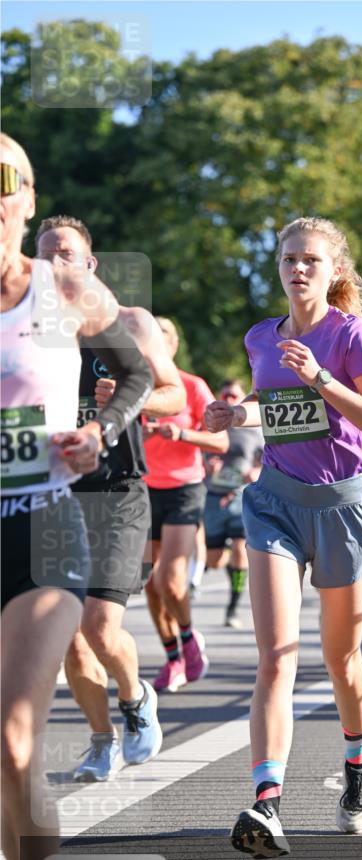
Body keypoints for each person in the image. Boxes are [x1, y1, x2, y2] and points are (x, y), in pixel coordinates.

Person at [1, 134, 153, 860]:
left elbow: (135, 369)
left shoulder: (58, 289)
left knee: (17, 741)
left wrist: (100, 430)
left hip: (45, 527)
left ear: (25, 196)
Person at [205, 216, 362, 859]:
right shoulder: (261, 337)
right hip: (275, 502)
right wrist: (240, 414)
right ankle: (267, 803)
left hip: (342, 506)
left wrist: (322, 376)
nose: (299, 268)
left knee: (341, 660)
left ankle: (358, 758)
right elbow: (278, 410)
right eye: (289, 258)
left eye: (312, 260)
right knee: (277, 655)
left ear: (334, 270)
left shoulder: (351, 336)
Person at [35, 215, 187, 781]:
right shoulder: (30, 332)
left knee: (100, 625)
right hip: (56, 495)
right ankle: (102, 741)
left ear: (89, 264)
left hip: (119, 492)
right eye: (45, 255)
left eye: (67, 254)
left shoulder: (128, 322)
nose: (55, 265)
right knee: (67, 638)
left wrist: (133, 401)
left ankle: (135, 694)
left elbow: (172, 393)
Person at [143, 318, 228, 693]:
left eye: (161, 342)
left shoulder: (191, 387)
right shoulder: (134, 387)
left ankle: (190, 638)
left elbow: (222, 443)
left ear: (173, 347)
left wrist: (182, 434)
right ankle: (173, 657)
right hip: (143, 491)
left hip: (184, 489)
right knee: (148, 582)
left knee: (171, 581)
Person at [204, 379, 264, 628]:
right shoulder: (210, 426)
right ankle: (224, 555)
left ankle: (232, 608)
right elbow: (195, 456)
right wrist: (207, 467)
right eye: (225, 395)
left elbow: (268, 459)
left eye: (234, 396)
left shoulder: (254, 428)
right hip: (214, 497)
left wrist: (256, 473)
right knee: (214, 560)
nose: (229, 400)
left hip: (242, 496)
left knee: (241, 550)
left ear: (243, 398)